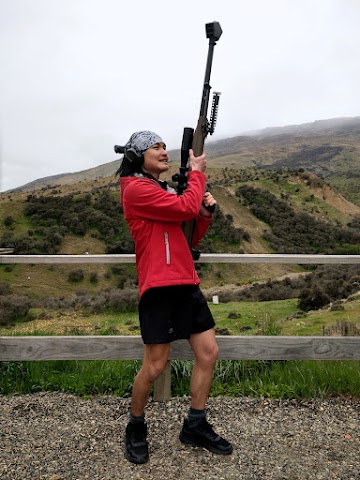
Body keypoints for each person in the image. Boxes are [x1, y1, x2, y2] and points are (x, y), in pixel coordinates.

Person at [117, 130, 233, 464]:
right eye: (156, 147)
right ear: (138, 155)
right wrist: (197, 175)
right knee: (154, 366)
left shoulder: (164, 190)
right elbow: (183, 209)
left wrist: (205, 214)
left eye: (166, 147)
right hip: (158, 286)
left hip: (186, 282)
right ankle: (136, 426)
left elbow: (188, 233)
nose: (164, 151)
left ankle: (194, 424)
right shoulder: (135, 190)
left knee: (208, 353)